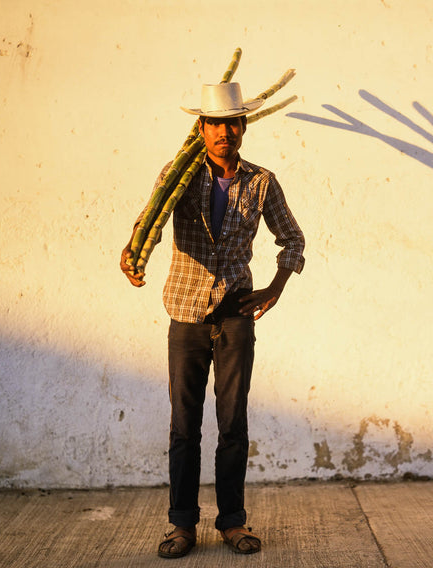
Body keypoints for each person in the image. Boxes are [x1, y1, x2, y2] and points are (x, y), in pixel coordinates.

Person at [120, 82, 305, 558]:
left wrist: (274, 288)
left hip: (236, 316)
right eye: (215, 123)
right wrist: (134, 250)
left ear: (244, 127)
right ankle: (182, 526)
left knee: (232, 423)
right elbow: (150, 221)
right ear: (200, 128)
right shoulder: (178, 175)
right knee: (184, 425)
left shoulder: (261, 181)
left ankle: (231, 523)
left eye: (233, 123)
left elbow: (293, 241)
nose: (225, 132)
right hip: (185, 316)